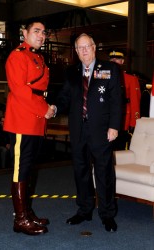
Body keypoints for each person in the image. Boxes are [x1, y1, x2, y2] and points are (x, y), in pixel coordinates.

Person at [56, 33, 122, 232]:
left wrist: (114, 126)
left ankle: (107, 214)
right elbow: (64, 97)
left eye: (87, 46)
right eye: (80, 47)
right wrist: (54, 108)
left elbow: (117, 100)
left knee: (104, 173)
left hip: (102, 131)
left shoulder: (110, 69)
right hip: (78, 130)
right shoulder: (71, 72)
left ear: (94, 47)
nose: (84, 50)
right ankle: (84, 210)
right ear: (76, 51)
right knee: (81, 172)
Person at [3, 18, 55, 236]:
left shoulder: (37, 57)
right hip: (23, 119)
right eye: (36, 31)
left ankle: (27, 211)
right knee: (20, 168)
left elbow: (38, 90)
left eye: (44, 32)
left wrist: (47, 107)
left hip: (35, 119)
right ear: (24, 33)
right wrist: (44, 109)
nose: (41, 35)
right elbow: (21, 91)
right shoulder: (18, 56)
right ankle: (20, 219)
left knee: (29, 167)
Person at [109, 48, 141, 149]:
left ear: (122, 61)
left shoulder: (131, 79)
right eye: (112, 58)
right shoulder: (103, 77)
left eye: (117, 58)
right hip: (106, 119)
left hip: (123, 121)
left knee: (120, 150)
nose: (114, 61)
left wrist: (133, 123)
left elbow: (135, 102)